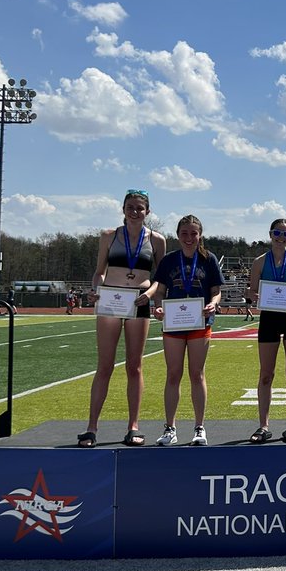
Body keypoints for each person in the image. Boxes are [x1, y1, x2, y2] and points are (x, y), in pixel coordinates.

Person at [77, 190, 166, 447]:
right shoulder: (108, 236)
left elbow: (160, 277)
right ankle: (91, 428)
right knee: (104, 366)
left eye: (140, 207)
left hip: (139, 302)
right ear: (123, 209)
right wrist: (95, 290)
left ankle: (133, 427)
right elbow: (99, 272)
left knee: (134, 367)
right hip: (110, 302)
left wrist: (150, 295)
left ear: (148, 211)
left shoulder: (157, 239)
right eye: (130, 207)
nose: (135, 211)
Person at [147, 215, 222, 448]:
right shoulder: (169, 260)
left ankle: (199, 427)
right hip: (174, 323)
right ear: (178, 235)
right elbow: (159, 289)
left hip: (200, 322)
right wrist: (157, 305)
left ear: (200, 235)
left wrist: (214, 303)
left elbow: (216, 290)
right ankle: (170, 428)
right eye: (184, 233)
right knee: (173, 374)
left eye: (193, 233)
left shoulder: (208, 259)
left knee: (197, 374)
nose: (189, 238)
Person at [247, 218, 286, 443]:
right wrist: (254, 296)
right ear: (270, 234)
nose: (281, 237)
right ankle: (263, 426)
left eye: (285, 234)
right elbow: (252, 292)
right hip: (269, 319)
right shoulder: (259, 262)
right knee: (266, 374)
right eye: (277, 233)